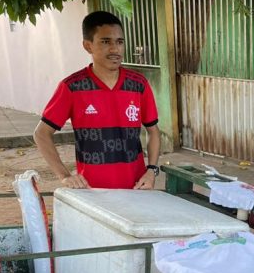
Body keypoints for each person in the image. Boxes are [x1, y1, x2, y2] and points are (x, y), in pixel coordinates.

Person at [34, 11, 160, 190]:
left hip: (136, 190)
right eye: (105, 42)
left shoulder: (138, 84)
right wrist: (64, 176)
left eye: (119, 42)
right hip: (92, 193)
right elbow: (41, 134)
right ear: (88, 46)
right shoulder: (72, 87)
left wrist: (151, 170)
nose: (115, 49)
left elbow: (153, 131)